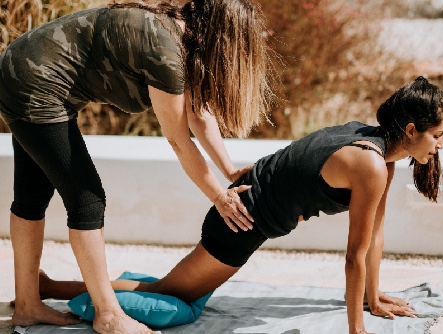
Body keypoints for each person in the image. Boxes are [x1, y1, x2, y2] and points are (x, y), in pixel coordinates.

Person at [35, 77, 443, 334]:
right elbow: (354, 255)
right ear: (412, 129)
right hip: (241, 220)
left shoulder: (375, 148)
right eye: (437, 135)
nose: (440, 145)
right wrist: (356, 328)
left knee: (175, 291)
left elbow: (374, 238)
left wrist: (373, 296)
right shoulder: (371, 165)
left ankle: (56, 287)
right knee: (170, 298)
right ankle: (51, 288)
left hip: (248, 201)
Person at [0, 0, 273, 332]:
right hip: (33, 82)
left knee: (32, 196)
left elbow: (198, 114)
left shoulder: (179, 37)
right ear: (223, 36)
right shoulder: (166, 51)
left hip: (24, 70)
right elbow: (179, 140)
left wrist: (229, 170)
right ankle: (109, 315)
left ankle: (28, 306)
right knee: (87, 199)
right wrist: (219, 196)